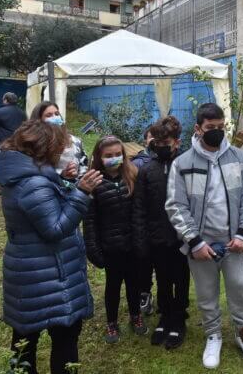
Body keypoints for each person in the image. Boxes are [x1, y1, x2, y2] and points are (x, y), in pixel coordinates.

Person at [0, 120, 103, 374]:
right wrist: (82, 193)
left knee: (24, 338)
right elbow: (55, 228)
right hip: (49, 275)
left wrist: (61, 180)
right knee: (64, 339)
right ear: (45, 149)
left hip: (30, 271)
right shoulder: (33, 184)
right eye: (59, 146)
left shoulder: (21, 175)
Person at [165, 103, 243, 369]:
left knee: (240, 290)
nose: (216, 132)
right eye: (210, 128)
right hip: (201, 246)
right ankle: (213, 336)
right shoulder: (182, 164)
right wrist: (194, 242)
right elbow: (176, 205)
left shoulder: (238, 159)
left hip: (234, 244)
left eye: (220, 127)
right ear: (198, 129)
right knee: (207, 295)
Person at [83, 135, 149, 344]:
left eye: (117, 154)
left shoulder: (132, 176)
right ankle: (111, 322)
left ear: (124, 155)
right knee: (112, 287)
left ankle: (135, 316)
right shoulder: (94, 183)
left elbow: (140, 213)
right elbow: (90, 220)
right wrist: (93, 250)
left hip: (132, 245)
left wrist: (141, 241)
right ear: (99, 158)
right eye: (108, 156)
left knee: (134, 284)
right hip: (110, 247)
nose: (114, 158)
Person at [134, 116, 189, 350]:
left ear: (176, 142)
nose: (160, 145)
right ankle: (164, 315)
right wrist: (142, 236)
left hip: (182, 235)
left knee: (181, 277)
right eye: (156, 141)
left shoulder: (186, 165)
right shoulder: (147, 170)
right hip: (156, 236)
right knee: (163, 278)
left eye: (165, 142)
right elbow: (139, 206)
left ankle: (179, 317)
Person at [30, 102, 88, 184]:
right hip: (49, 189)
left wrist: (78, 176)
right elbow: (34, 171)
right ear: (39, 120)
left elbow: (84, 164)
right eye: (49, 115)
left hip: (75, 190)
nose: (55, 117)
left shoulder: (75, 141)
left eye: (57, 114)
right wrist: (61, 174)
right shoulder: (35, 144)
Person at [131, 124, 155, 317]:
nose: (155, 140)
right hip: (144, 221)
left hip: (164, 222)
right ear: (145, 140)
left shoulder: (173, 160)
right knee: (143, 262)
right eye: (151, 137)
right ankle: (144, 293)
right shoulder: (138, 164)